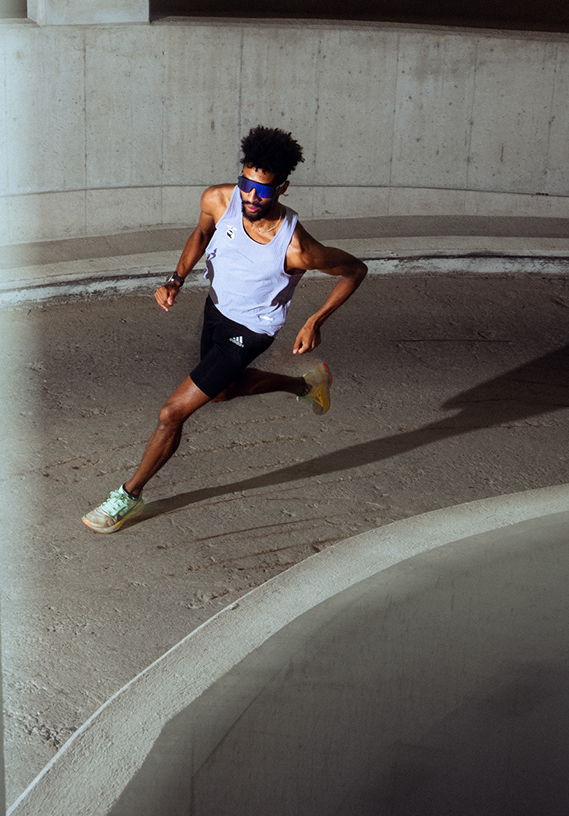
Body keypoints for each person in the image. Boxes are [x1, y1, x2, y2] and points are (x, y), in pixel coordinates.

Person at [83, 126, 369, 533]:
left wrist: (314, 319)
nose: (251, 197)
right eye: (247, 185)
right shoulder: (219, 200)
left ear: (283, 188)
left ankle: (127, 496)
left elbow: (356, 270)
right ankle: (306, 386)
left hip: (251, 329)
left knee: (171, 413)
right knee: (221, 392)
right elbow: (201, 234)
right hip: (215, 310)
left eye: (264, 191)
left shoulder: (297, 248)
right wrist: (175, 280)